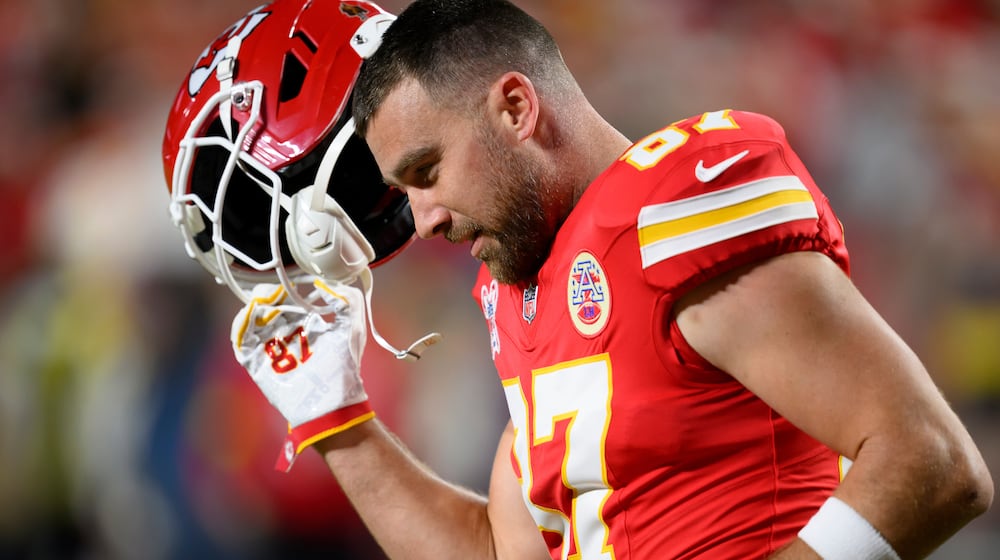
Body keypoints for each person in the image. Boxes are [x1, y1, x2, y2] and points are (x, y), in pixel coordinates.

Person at [162, 1, 993, 559]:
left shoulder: (672, 210)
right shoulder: (525, 285)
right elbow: (499, 548)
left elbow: (930, 460)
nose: (421, 220)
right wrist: (339, 423)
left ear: (516, 109)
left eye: (427, 170)